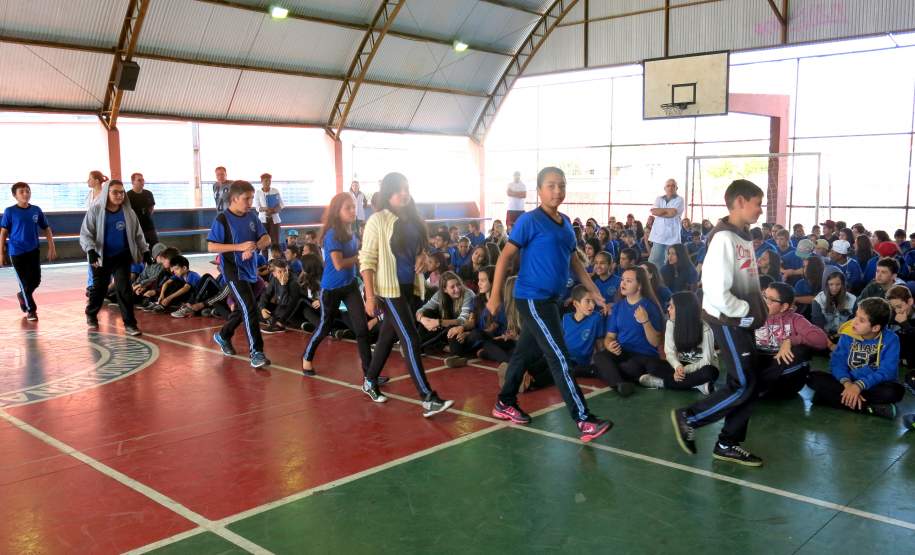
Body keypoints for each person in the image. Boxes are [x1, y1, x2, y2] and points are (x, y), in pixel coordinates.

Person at [487, 166, 612, 442]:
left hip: (553, 300)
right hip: (532, 298)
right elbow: (505, 257)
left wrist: (595, 291)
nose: (557, 191)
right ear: (540, 190)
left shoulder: (566, 222)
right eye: (551, 186)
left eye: (562, 186)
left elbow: (575, 263)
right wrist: (495, 295)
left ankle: (505, 402)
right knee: (559, 358)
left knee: (522, 354)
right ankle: (584, 419)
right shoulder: (529, 221)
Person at [671, 179, 768, 467]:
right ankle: (691, 417)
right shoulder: (724, 238)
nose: (760, 210)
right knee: (742, 384)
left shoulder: (743, 234)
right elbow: (715, 290)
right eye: (757, 204)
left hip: (742, 320)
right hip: (729, 320)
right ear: (739, 201)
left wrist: (756, 307)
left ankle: (728, 442)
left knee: (751, 382)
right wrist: (746, 311)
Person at [359, 172, 453, 417]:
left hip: (408, 287)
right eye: (398, 189)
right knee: (410, 338)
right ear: (388, 193)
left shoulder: (413, 219)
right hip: (388, 290)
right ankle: (427, 397)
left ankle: (369, 380)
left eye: (406, 188)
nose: (404, 193)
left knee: (387, 337)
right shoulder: (376, 221)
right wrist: (370, 296)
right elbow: (366, 261)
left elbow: (421, 249)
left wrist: (423, 256)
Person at [208, 180, 272, 368]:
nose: (250, 202)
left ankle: (223, 335)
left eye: (252, 198)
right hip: (233, 271)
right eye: (247, 198)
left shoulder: (251, 216)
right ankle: (257, 353)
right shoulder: (222, 219)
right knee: (250, 308)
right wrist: (239, 247)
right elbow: (211, 246)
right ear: (235, 198)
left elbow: (266, 238)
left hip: (251, 270)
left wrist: (254, 247)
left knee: (242, 309)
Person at [807, 298, 904, 419]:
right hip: (846, 383)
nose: (854, 322)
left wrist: (859, 386)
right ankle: (871, 408)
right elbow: (837, 363)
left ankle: (831, 399)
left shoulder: (891, 339)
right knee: (812, 377)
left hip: (872, 385)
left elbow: (887, 371)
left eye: (861, 320)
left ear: (875, 328)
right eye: (856, 316)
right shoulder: (849, 332)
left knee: (895, 392)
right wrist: (848, 385)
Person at [80, 179, 149, 336]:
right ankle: (91, 313)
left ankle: (130, 324)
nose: (119, 195)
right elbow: (86, 233)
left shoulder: (129, 212)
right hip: (101, 257)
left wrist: (145, 251)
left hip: (121, 256)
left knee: (124, 289)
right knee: (100, 289)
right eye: (115, 192)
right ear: (107, 193)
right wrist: (90, 250)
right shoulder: (96, 210)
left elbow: (138, 234)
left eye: (121, 192)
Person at [593, 267, 665, 392]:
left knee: (628, 368)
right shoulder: (618, 306)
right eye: (622, 280)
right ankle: (619, 384)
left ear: (639, 286)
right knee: (600, 357)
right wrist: (610, 345)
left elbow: (656, 342)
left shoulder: (649, 306)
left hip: (644, 355)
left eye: (629, 281)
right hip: (623, 352)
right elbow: (609, 337)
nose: (623, 283)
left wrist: (645, 321)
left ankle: (602, 372)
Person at [755, 282, 829, 400]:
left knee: (799, 351)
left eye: (770, 300)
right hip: (763, 366)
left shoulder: (795, 319)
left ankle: (757, 388)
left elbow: (822, 341)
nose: (764, 301)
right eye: (764, 296)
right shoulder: (754, 316)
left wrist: (790, 340)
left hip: (786, 379)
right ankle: (756, 387)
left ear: (784, 306)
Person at [639, 291, 719, 394]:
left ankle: (662, 383)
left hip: (700, 367)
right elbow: (669, 352)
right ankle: (698, 385)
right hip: (679, 366)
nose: (668, 309)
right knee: (652, 365)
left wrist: (684, 370)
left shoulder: (705, 330)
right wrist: (678, 366)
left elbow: (706, 361)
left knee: (709, 373)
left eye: (671, 307)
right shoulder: (670, 324)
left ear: (683, 310)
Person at [0, 182, 56, 321]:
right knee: (24, 282)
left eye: (27, 191)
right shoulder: (10, 211)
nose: (26, 194)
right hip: (17, 252)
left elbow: (46, 228)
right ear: (15, 195)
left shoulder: (36, 210)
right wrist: (1, 252)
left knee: (36, 280)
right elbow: (3, 233)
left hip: (33, 250)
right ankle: (31, 310)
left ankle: (21, 295)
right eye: (22, 192)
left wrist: (51, 246)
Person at [416, 271, 475, 367]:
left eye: (458, 285)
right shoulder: (440, 295)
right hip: (446, 329)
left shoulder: (468, 294)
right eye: (452, 287)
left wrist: (439, 322)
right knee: (427, 313)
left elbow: (463, 321)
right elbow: (420, 311)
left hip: (463, 330)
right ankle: (426, 345)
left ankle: (455, 355)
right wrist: (423, 320)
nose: (457, 289)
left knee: (452, 327)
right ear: (444, 289)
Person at [812, 271, 857, 347]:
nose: (834, 288)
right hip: (825, 335)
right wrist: (830, 344)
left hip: (845, 335)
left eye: (838, 284)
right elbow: (818, 326)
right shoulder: (818, 300)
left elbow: (854, 322)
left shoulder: (852, 299)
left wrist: (844, 336)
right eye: (831, 284)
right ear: (826, 285)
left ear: (843, 284)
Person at [647, 178, 684, 269]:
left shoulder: (680, 199)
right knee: (654, 260)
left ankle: (666, 281)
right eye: (668, 186)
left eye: (673, 186)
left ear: (676, 188)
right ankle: (654, 280)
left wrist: (661, 212)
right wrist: (667, 211)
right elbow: (654, 211)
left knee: (669, 262)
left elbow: (672, 214)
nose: (670, 188)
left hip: (672, 237)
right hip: (659, 235)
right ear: (665, 188)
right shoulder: (659, 199)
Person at [254, 173, 284, 255]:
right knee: (264, 242)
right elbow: (257, 207)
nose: (268, 182)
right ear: (261, 181)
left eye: (269, 181)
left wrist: (274, 210)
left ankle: (276, 262)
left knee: (275, 242)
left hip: (275, 220)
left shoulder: (275, 191)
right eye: (266, 181)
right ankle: (265, 262)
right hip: (263, 220)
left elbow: (281, 204)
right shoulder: (258, 192)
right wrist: (265, 209)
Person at [886, 285, 915, 368]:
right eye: (894, 308)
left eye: (899, 306)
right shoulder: (892, 315)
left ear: (910, 301)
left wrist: (905, 324)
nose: (897, 311)